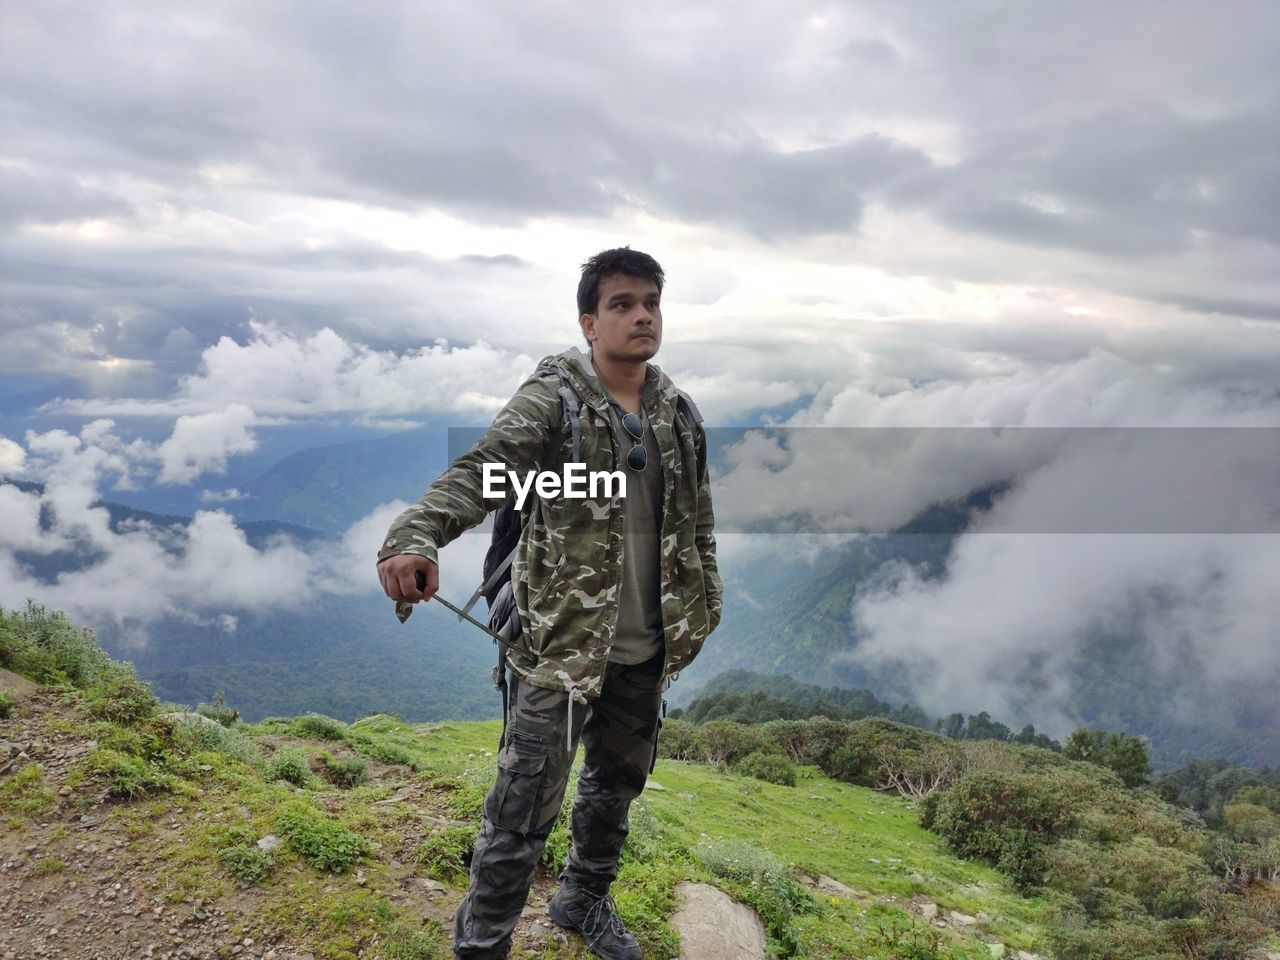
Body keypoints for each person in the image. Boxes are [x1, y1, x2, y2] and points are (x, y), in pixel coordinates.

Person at [376, 247, 722, 960]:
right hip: (555, 652)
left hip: (646, 650)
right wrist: (415, 536)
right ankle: (483, 945)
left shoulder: (677, 415)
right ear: (590, 322)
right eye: (623, 304)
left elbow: (698, 525)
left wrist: (702, 605)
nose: (643, 316)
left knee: (614, 790)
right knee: (518, 813)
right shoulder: (555, 402)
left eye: (652, 302)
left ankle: (582, 901)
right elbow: (482, 472)